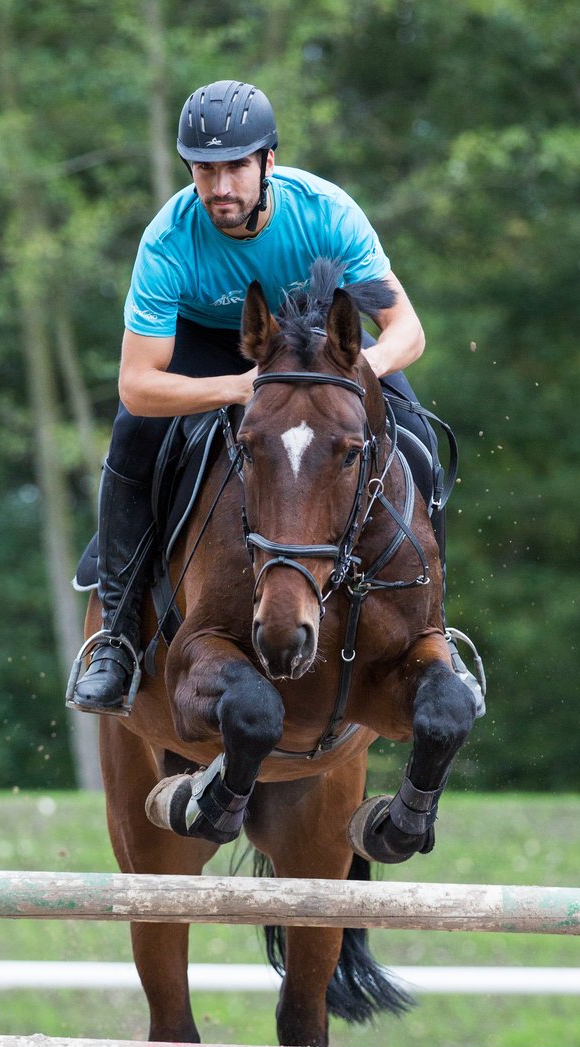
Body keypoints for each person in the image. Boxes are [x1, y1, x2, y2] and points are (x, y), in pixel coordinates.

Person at [69, 79, 484, 717]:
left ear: (268, 162)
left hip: (325, 348)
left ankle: (435, 627)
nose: (220, 188)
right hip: (215, 349)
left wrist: (357, 371)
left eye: (236, 167)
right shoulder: (168, 239)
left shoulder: (327, 213)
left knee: (417, 439)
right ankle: (117, 638)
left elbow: (407, 331)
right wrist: (239, 386)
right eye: (204, 170)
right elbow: (138, 384)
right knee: (134, 435)